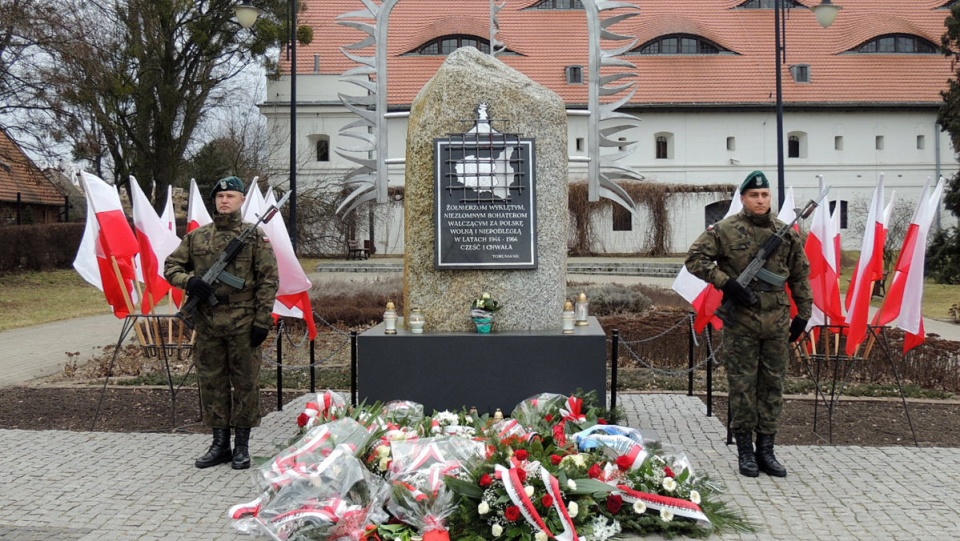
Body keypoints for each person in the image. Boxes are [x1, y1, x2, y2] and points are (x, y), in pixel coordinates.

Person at [684, 171, 812, 478]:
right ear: (743, 198)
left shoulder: (787, 233)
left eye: (765, 195)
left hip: (777, 321)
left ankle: (766, 450)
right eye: (754, 195)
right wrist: (726, 284)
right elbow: (695, 259)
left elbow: (800, 275)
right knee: (742, 386)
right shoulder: (725, 230)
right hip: (742, 321)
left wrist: (803, 314)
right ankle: (745, 452)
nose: (760, 200)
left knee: (773, 385)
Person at [164, 176, 279, 469]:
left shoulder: (255, 237)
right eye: (220, 196)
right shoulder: (197, 237)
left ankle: (241, 446)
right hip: (208, 323)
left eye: (230, 196)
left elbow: (268, 280)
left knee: (245, 384)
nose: (224, 200)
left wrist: (262, 321)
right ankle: (219, 445)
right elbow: (171, 266)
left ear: (241, 201)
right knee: (211, 383)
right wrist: (190, 282)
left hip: (244, 322)